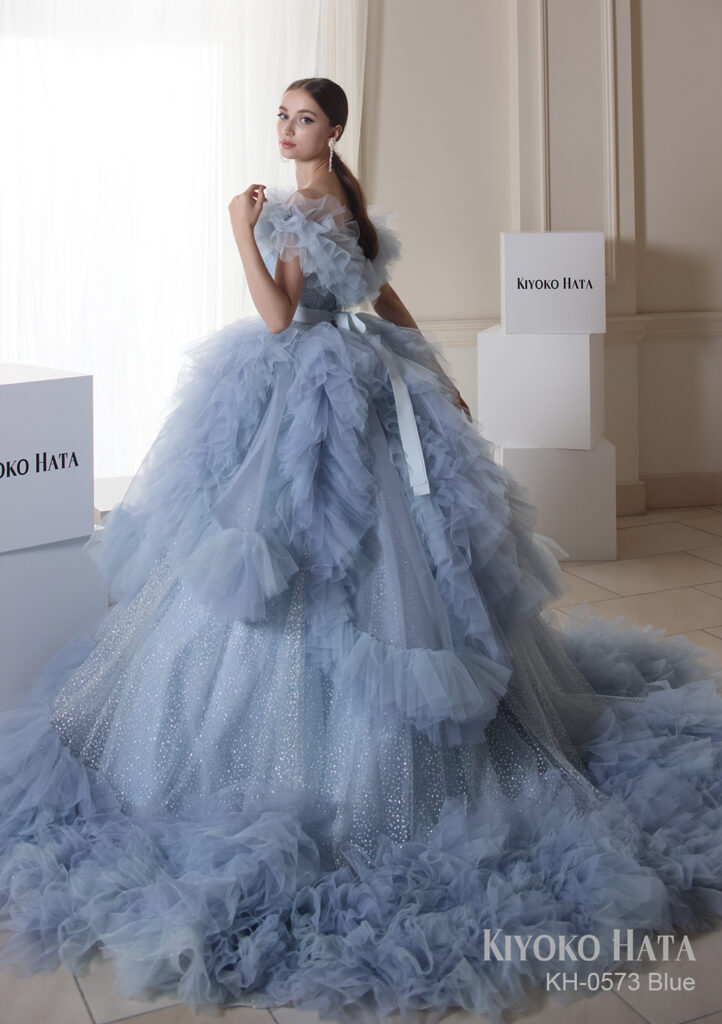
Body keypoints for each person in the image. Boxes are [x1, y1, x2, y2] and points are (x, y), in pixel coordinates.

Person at [1, 76, 721, 1024]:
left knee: (311, 556)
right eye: (282, 116)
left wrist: (237, 231)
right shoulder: (345, 196)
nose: (287, 128)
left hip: (315, 382)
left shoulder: (302, 205)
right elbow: (382, 291)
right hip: (371, 375)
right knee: (389, 553)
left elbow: (276, 318)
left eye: (303, 118)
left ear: (333, 128)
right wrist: (434, 369)